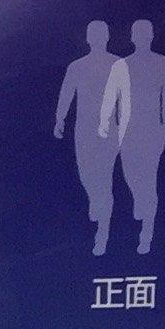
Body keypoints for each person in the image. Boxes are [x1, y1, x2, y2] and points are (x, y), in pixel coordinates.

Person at [99, 19, 165, 259]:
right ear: (133, 38)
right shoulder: (122, 65)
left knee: (149, 182)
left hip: (152, 134)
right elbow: (110, 99)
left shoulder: (162, 63)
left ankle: (146, 235)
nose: (142, 38)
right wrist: (107, 125)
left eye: (146, 34)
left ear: (151, 36)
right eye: (138, 34)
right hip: (127, 135)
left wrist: (163, 133)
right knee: (131, 176)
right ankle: (140, 200)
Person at [53, 21, 123, 256]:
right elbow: (66, 93)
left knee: (104, 178)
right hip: (83, 131)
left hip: (109, 132)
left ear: (106, 37)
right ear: (88, 38)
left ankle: (102, 233)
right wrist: (60, 119)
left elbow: (126, 99)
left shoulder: (118, 65)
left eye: (101, 34)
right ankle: (95, 198)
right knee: (86, 174)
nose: (98, 38)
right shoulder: (77, 66)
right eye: (94, 34)